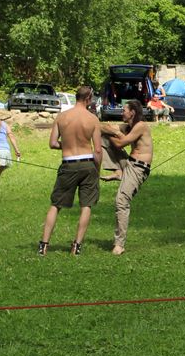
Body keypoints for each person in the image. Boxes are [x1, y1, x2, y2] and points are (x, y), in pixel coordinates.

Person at [39, 86, 102, 256]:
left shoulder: (62, 117)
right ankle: (76, 246)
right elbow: (97, 150)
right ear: (88, 99)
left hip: (68, 164)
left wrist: (66, 146)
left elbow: (52, 143)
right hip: (88, 163)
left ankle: (44, 245)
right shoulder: (92, 119)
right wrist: (98, 169)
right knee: (86, 205)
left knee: (56, 204)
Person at [100, 100, 153, 255]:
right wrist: (109, 129)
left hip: (138, 168)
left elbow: (121, 143)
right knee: (104, 134)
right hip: (129, 163)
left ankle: (119, 244)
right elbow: (102, 128)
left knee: (121, 201)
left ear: (132, 113)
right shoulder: (128, 126)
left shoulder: (140, 126)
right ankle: (118, 171)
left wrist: (115, 133)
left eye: (124, 110)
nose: (121, 112)